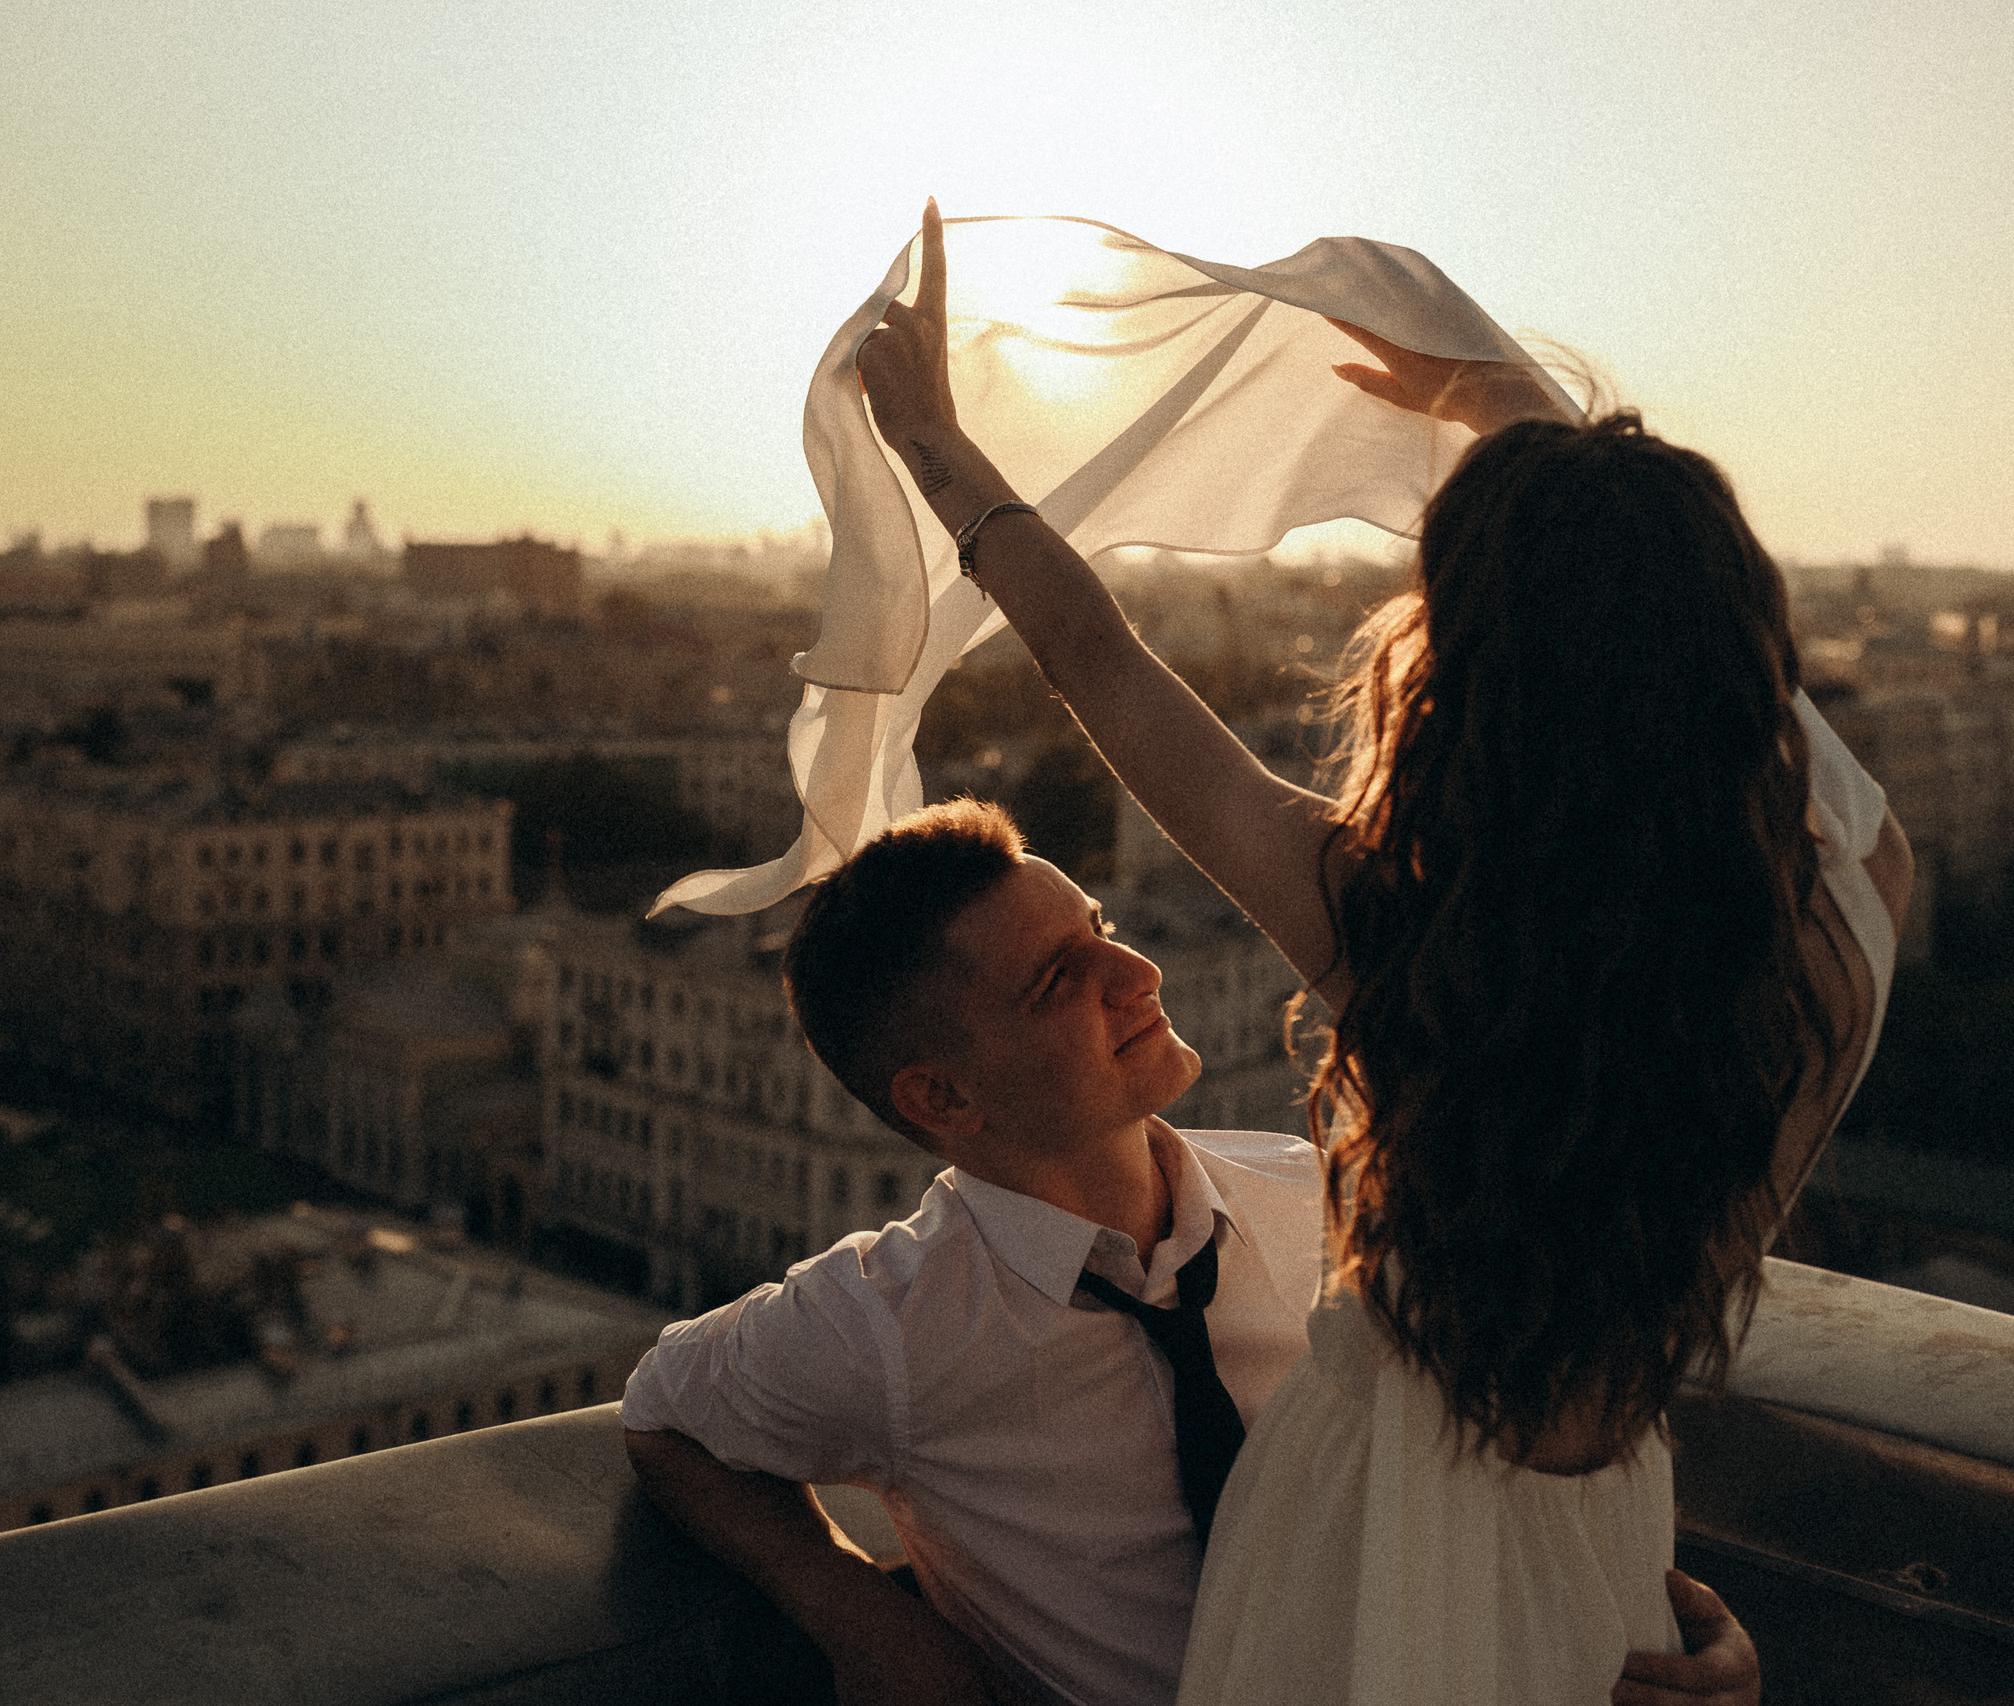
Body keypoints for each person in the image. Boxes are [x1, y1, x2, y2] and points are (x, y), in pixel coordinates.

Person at [852, 201, 1905, 1703]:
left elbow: (1106, 665)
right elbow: (1725, 692)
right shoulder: (1843, 932)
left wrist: (938, 448)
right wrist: (1512, 413)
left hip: (1363, 1539)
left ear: (1470, 681)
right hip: (1610, 1563)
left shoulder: (1418, 945)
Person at [622, 801, 1763, 1705]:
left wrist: (1655, 1633)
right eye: (1062, 981)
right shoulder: (893, 1320)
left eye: (1102, 933)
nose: (1139, 977)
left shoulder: (1313, 1201)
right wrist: (868, 1620)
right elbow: (662, 1409)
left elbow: (1485, 1481)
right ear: (942, 1097)